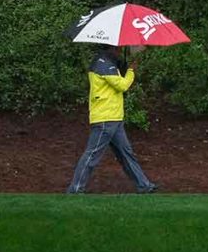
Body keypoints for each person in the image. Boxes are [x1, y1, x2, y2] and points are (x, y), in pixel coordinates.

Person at [67, 45, 158, 194]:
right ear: (110, 48)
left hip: (113, 117)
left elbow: (116, 78)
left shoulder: (105, 62)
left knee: (126, 153)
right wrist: (131, 71)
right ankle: (76, 188)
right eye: (118, 48)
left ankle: (144, 185)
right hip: (105, 117)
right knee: (92, 154)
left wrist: (125, 66)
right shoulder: (103, 64)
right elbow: (122, 85)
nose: (120, 50)